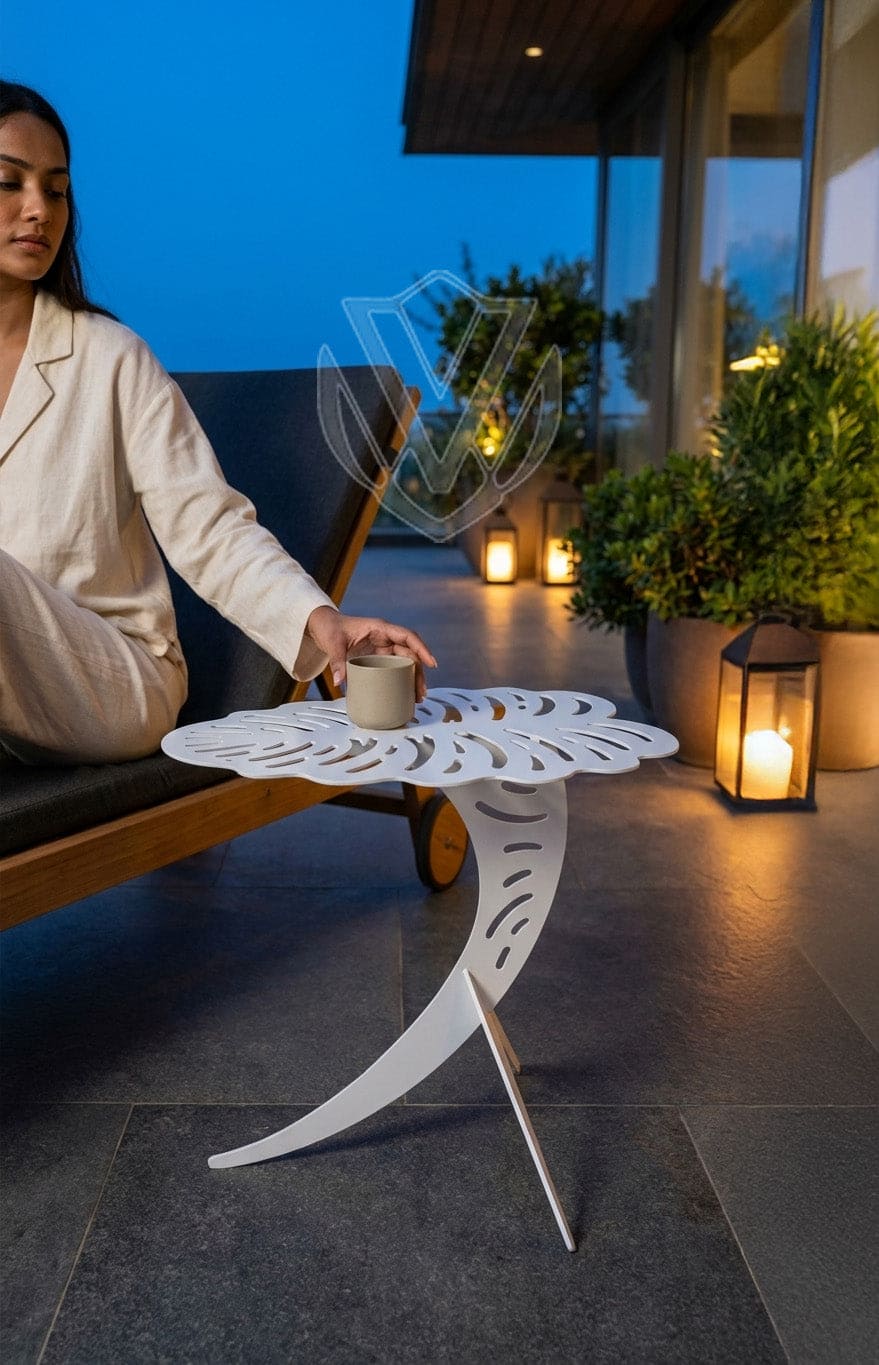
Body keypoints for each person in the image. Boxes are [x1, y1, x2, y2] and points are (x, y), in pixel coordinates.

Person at [0, 82, 435, 765]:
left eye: (55, 190)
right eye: (9, 182)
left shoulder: (111, 358)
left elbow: (209, 527)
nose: (38, 210)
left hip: (109, 680)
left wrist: (323, 620)